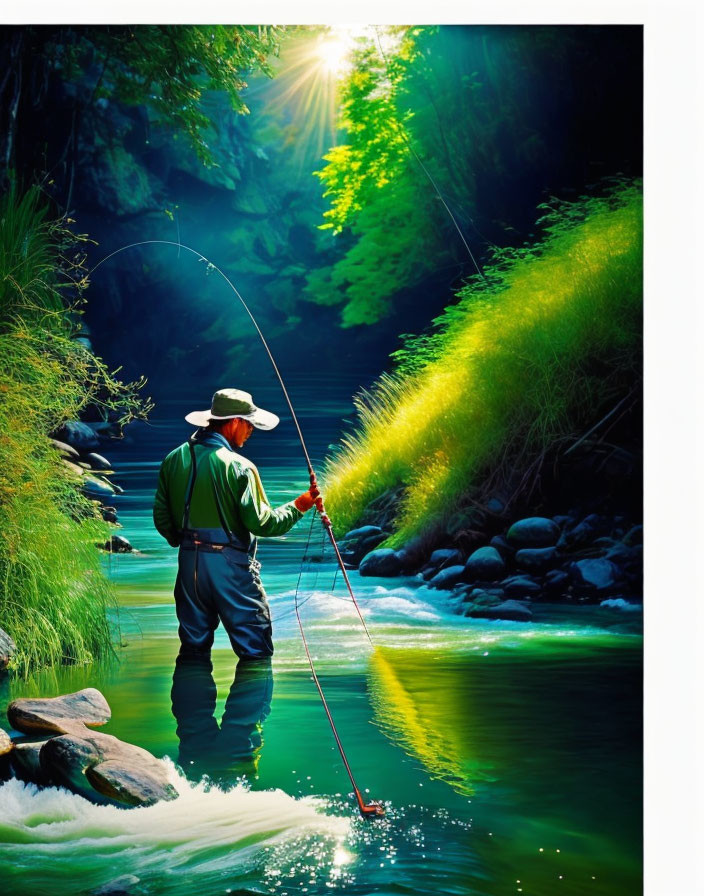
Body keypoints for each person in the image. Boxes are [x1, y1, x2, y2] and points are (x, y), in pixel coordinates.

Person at [153, 388, 321, 661]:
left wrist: (185, 542)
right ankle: (251, 703)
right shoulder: (240, 467)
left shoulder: (172, 459)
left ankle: (190, 702)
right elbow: (264, 524)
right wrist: (300, 504)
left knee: (193, 650)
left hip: (187, 567)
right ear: (234, 422)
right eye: (249, 423)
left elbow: (162, 519)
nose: (251, 430)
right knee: (256, 649)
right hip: (230, 568)